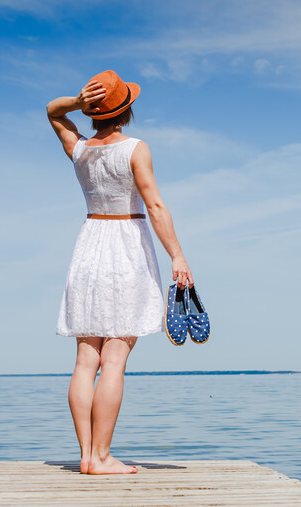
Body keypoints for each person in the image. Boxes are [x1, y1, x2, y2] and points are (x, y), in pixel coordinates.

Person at [47, 70, 194, 475]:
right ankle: (103, 455)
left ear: (93, 111)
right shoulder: (135, 149)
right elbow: (156, 207)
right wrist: (177, 256)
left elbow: (51, 112)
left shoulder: (79, 149)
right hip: (126, 245)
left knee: (84, 361)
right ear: (126, 111)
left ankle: (86, 457)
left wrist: (77, 103)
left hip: (89, 246)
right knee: (114, 360)